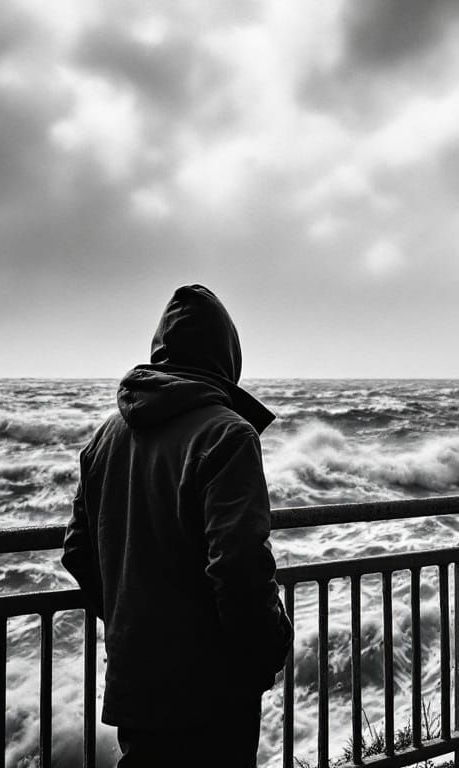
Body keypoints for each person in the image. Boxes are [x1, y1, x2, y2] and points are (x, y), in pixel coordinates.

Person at [62, 284, 293, 767]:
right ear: (227, 355)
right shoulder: (228, 433)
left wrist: (132, 626)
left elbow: (78, 551)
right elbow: (238, 564)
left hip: (136, 682)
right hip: (211, 690)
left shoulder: (106, 436)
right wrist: (269, 647)